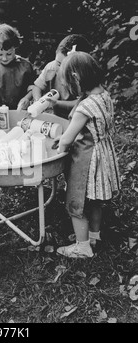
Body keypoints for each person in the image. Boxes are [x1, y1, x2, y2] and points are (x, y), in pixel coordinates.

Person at [55, 52, 120, 258]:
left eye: (68, 83)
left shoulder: (84, 107)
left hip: (87, 160)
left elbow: (67, 139)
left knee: (77, 200)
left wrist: (59, 152)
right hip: (103, 155)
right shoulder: (104, 95)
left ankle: (82, 247)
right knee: (94, 199)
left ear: (76, 77)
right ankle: (94, 236)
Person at [0, 23, 36, 126]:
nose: (4, 58)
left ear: (15, 47)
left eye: (9, 54)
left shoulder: (25, 66)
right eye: (0, 54)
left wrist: (27, 98)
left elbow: (34, 87)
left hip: (20, 114)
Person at [32, 34, 92, 119]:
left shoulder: (83, 76)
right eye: (58, 63)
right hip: (53, 117)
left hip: (75, 120)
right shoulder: (51, 67)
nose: (60, 69)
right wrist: (38, 101)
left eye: (65, 65)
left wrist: (56, 103)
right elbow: (37, 87)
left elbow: (83, 102)